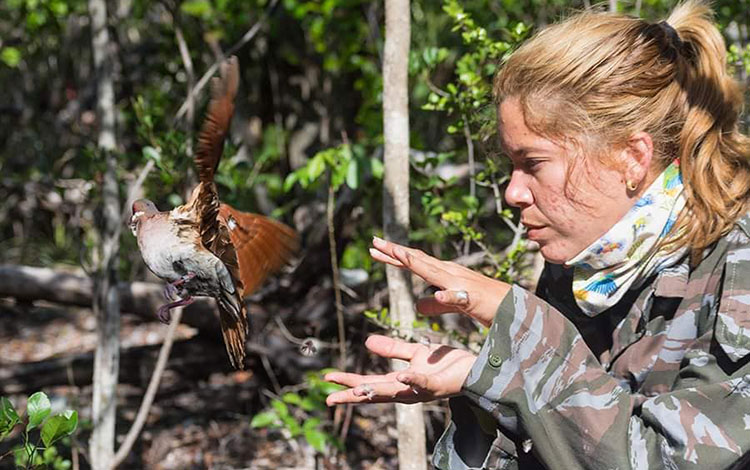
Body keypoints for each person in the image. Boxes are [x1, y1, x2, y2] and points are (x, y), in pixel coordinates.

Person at [324, 1, 750, 469]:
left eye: (534, 164)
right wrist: (485, 383)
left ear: (632, 157)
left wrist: (523, 334)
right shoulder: (588, 267)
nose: (512, 192)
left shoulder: (737, 267)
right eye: (510, 165)